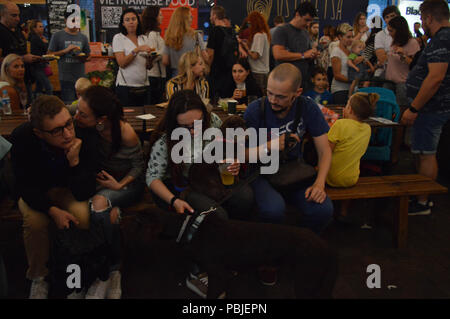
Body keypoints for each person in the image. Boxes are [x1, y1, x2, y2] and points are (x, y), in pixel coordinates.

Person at [146, 90, 254, 298]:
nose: (194, 130)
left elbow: (225, 149)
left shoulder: (212, 121)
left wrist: (233, 163)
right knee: (217, 215)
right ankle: (202, 269)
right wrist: (174, 200)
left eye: (197, 123)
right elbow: (152, 178)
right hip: (184, 187)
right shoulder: (165, 141)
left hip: (209, 177)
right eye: (185, 127)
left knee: (245, 197)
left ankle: (233, 251)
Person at [10, 95, 98, 299]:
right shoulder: (22, 137)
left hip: (67, 189)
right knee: (35, 222)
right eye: (57, 130)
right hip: (36, 191)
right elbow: (24, 185)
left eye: (68, 124)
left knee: (83, 215)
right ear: (39, 133)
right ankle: (39, 276)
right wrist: (52, 210)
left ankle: (77, 275)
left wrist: (75, 162)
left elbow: (85, 191)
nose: (67, 134)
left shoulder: (84, 132)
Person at [244, 63, 333, 234]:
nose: (273, 100)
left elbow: (324, 150)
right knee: (273, 210)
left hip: (293, 171)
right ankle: (272, 248)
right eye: (269, 93)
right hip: (261, 171)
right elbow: (241, 155)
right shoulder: (255, 109)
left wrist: (319, 184)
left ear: (297, 93)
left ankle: (300, 243)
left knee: (322, 210)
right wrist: (270, 146)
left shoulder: (307, 107)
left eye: (281, 96)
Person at [74, 86, 145, 298]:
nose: (76, 116)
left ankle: (111, 269)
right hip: (102, 182)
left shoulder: (125, 133)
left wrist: (119, 185)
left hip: (127, 184)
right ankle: (108, 271)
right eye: (77, 110)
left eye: (82, 114)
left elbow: (139, 166)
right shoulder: (83, 118)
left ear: (101, 119)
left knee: (98, 203)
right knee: (110, 216)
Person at [401, 0, 450, 216]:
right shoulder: (441, 38)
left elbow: (435, 78)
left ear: (429, 18)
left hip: (430, 109)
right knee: (423, 152)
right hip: (431, 108)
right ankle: (422, 195)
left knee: (427, 154)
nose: (422, 22)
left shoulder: (442, 39)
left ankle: (422, 202)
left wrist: (414, 107)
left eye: (422, 18)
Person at [327, 92, 378, 187]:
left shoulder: (340, 124)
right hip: (352, 178)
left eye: (346, 105)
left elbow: (327, 152)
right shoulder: (367, 128)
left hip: (332, 178)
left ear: (350, 109)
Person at [272, 2, 319, 91]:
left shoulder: (305, 33)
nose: (308, 24)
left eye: (310, 21)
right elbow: (278, 54)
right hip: (285, 82)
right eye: (306, 20)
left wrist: (312, 55)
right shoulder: (282, 30)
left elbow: (306, 55)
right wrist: (303, 55)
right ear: (297, 15)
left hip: (302, 82)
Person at [48, 8, 90, 104]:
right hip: (65, 78)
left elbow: (88, 56)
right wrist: (66, 50)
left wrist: (83, 58)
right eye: (72, 20)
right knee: (69, 106)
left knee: (84, 105)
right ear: (65, 20)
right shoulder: (57, 35)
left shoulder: (83, 37)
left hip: (81, 78)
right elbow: (49, 54)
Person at [0, 1, 40, 102]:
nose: (17, 18)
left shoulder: (18, 30)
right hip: (8, 82)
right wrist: (22, 59)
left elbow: (22, 50)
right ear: (2, 15)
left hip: (24, 81)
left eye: (18, 15)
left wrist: (33, 58)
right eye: (14, 15)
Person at [112, 8, 152, 107]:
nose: (131, 22)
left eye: (133, 19)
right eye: (127, 20)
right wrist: (136, 50)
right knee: (129, 118)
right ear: (123, 23)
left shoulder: (143, 38)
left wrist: (150, 59)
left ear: (138, 21)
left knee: (144, 117)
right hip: (125, 87)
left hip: (144, 85)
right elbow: (122, 63)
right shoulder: (119, 38)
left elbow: (149, 67)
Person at [385, 16, 420, 106]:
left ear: (399, 31)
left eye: (391, 31)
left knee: (400, 109)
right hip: (389, 82)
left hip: (403, 84)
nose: (389, 33)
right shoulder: (394, 42)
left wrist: (403, 55)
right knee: (387, 108)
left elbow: (415, 65)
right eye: (388, 30)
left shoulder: (412, 43)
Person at [163, 6, 207, 77]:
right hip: (193, 74)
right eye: (190, 17)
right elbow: (205, 56)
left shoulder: (169, 37)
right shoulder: (196, 36)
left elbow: (165, 61)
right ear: (185, 20)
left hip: (176, 74)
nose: (192, 19)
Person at [206, 5, 238, 101]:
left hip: (217, 73)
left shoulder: (214, 31)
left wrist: (207, 65)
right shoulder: (231, 31)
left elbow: (210, 55)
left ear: (215, 15)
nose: (210, 17)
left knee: (215, 102)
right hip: (229, 72)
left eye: (211, 15)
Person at [237, 11, 271, 94]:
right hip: (263, 71)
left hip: (257, 72)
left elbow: (255, 56)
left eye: (250, 24)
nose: (249, 26)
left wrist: (245, 47)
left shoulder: (258, 35)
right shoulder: (264, 34)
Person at [142, 6, 166, 105]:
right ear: (154, 17)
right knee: (155, 104)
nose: (162, 17)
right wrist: (163, 53)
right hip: (155, 75)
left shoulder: (154, 34)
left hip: (158, 74)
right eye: (160, 15)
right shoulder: (152, 34)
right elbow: (152, 53)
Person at [330, 23, 354, 104]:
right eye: (348, 37)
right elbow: (337, 75)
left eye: (352, 37)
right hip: (340, 90)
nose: (351, 39)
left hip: (351, 89)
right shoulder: (336, 51)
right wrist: (353, 80)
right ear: (340, 37)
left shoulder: (351, 51)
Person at [28, 19, 53, 97]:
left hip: (39, 65)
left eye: (42, 26)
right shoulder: (35, 38)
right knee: (48, 87)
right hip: (37, 66)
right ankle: (50, 104)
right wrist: (46, 42)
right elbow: (47, 48)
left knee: (39, 88)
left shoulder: (38, 37)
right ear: (34, 28)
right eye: (40, 27)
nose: (42, 28)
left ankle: (37, 103)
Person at [374, 5, 400, 78]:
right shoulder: (380, 35)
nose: (390, 19)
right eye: (387, 17)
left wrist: (388, 54)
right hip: (384, 72)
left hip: (403, 73)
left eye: (392, 16)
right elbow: (382, 59)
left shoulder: (406, 34)